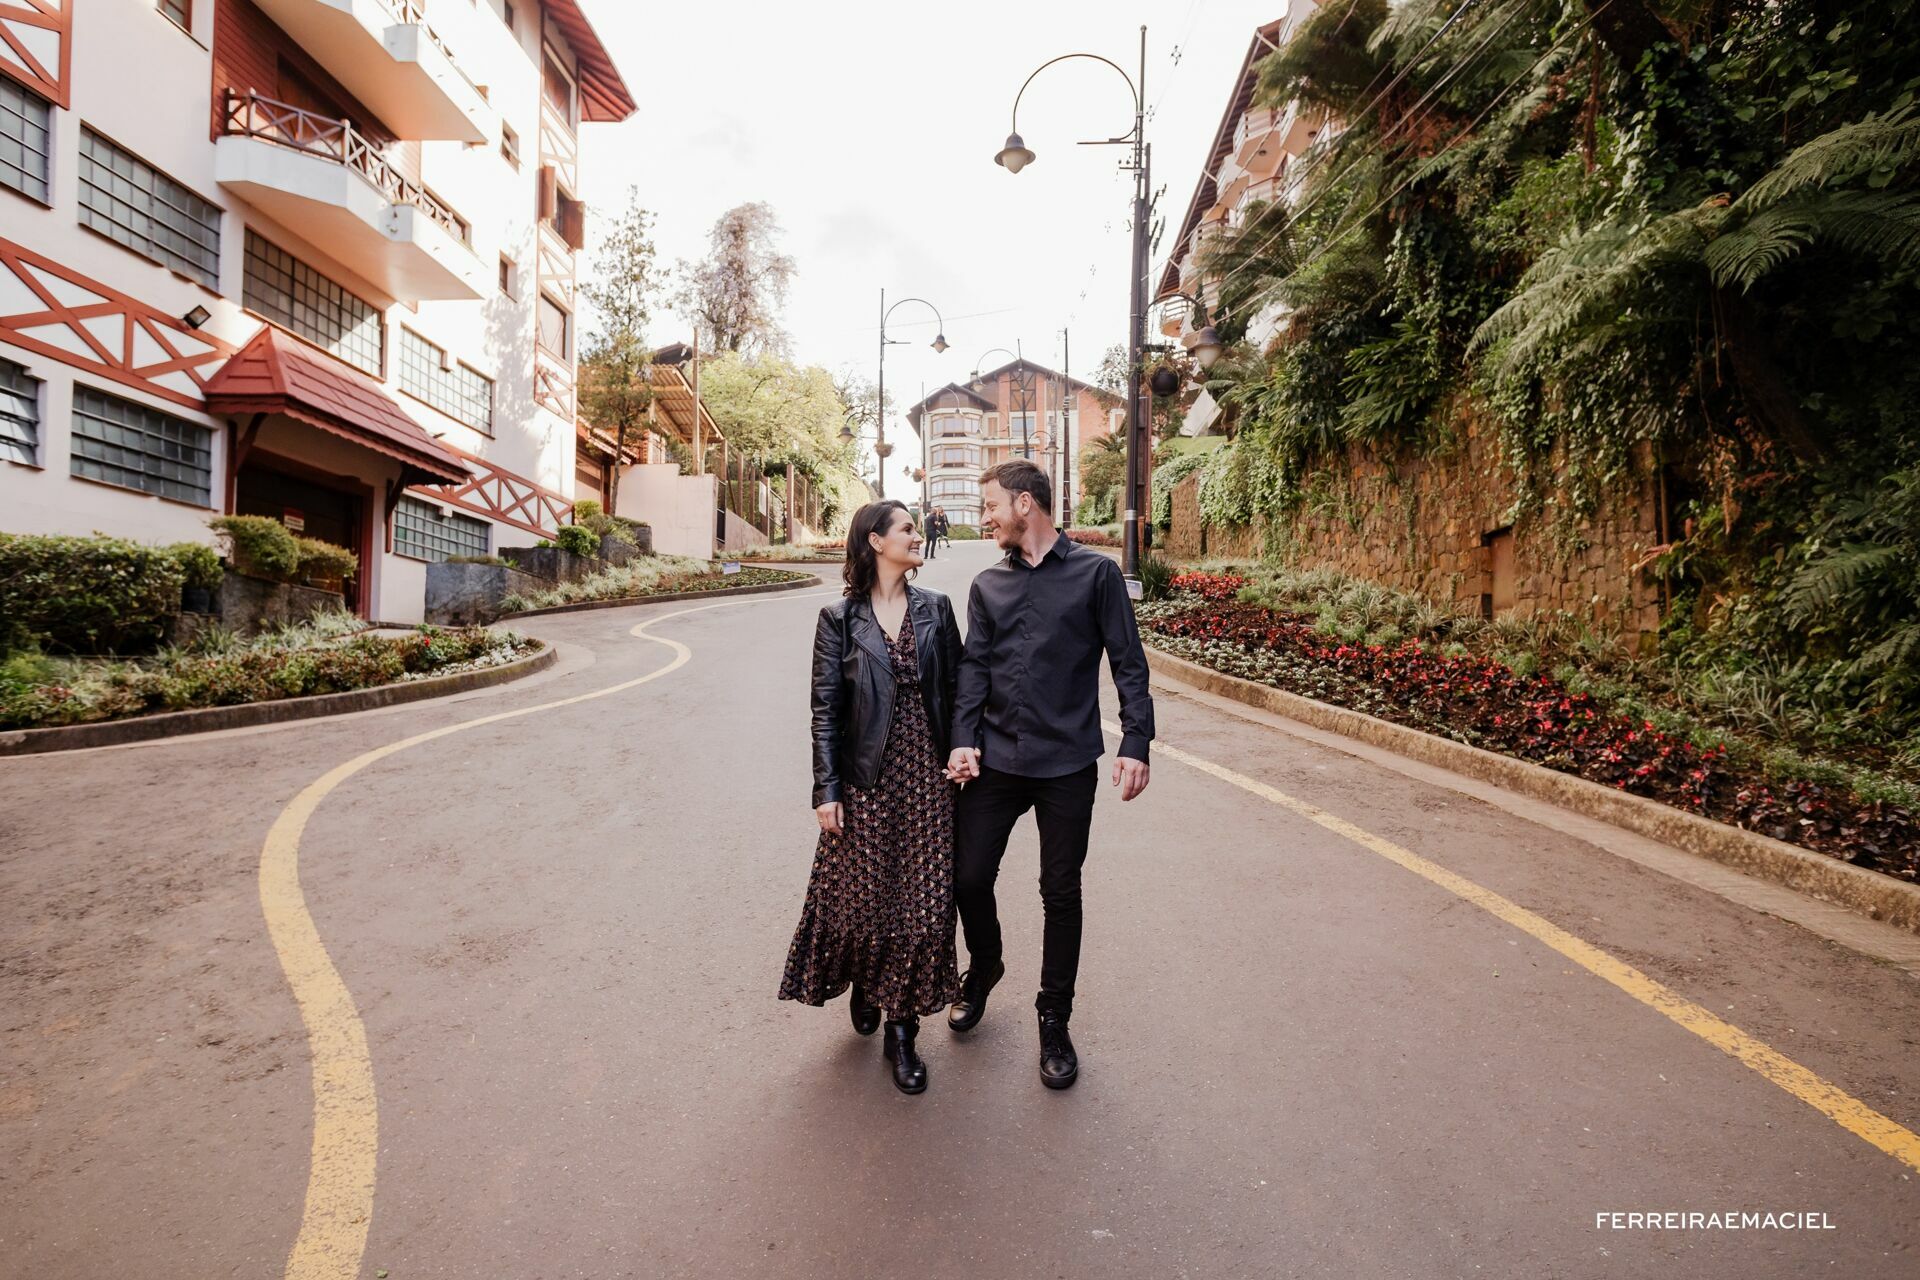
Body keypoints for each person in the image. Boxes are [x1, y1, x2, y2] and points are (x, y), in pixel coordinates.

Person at [946, 460, 1154, 1090]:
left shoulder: (1096, 576)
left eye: (991, 506)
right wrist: (962, 741)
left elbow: (1128, 662)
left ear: (1026, 504)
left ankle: (1054, 1018)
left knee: (1060, 892)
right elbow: (973, 672)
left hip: (1066, 764)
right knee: (967, 874)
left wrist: (1136, 741)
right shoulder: (987, 586)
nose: (985, 518)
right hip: (997, 761)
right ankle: (985, 966)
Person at [780, 500, 966, 1094]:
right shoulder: (838, 619)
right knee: (865, 903)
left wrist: (963, 750)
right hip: (867, 783)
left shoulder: (937, 608)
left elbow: (961, 692)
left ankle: (901, 1031)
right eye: (908, 528)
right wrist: (826, 790)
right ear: (876, 542)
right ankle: (867, 977)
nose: (918, 535)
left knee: (925, 905)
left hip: (930, 782)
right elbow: (826, 711)